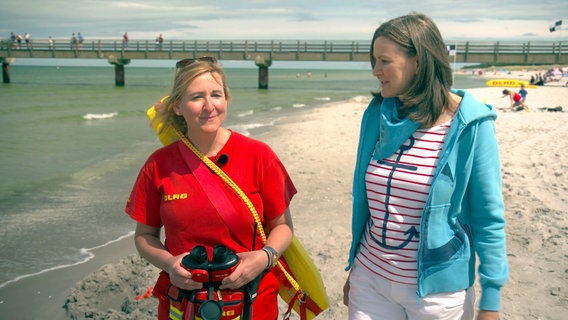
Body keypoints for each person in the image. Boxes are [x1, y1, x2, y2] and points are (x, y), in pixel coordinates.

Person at [343, 13, 508, 320]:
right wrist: (354, 268)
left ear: (418, 61)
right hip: (370, 281)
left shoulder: (470, 125)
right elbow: (367, 205)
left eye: (384, 61)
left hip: (438, 295)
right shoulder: (377, 115)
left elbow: (489, 218)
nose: (375, 71)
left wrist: (491, 301)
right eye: (374, 61)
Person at [125, 57, 296, 319]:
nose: (209, 106)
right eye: (196, 97)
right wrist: (170, 263)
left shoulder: (259, 156)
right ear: (178, 107)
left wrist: (263, 258)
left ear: (226, 98)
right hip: (183, 304)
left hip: (252, 300)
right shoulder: (159, 165)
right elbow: (144, 236)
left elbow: (283, 226)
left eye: (216, 95)